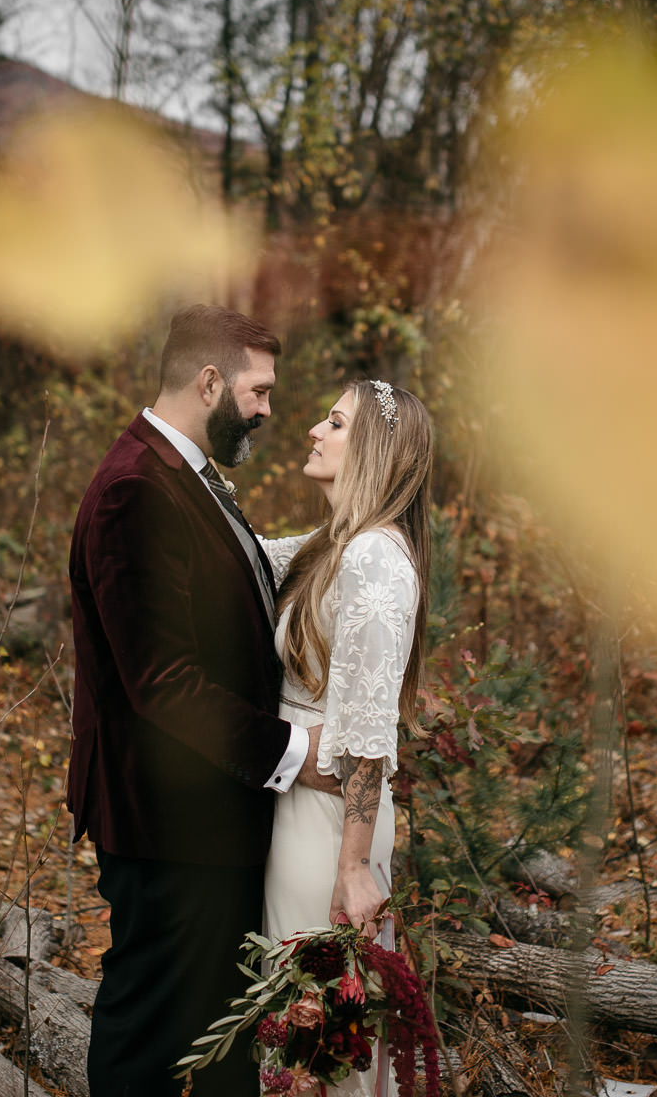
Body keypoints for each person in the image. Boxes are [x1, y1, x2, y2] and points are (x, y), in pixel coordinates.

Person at [67, 304, 340, 1097]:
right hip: (166, 825)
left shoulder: (179, 473)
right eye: (259, 391)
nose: (268, 410)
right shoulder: (135, 490)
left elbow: (237, 580)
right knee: (147, 1038)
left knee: (220, 1035)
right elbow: (163, 682)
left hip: (202, 815)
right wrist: (295, 753)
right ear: (211, 382)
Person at [260, 379, 434, 1097]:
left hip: (332, 824)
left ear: (372, 450)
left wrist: (355, 866)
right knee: (294, 1023)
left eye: (334, 422)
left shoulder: (374, 559)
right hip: (299, 805)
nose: (313, 429)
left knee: (318, 1034)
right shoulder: (333, 546)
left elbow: (368, 726)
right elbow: (242, 556)